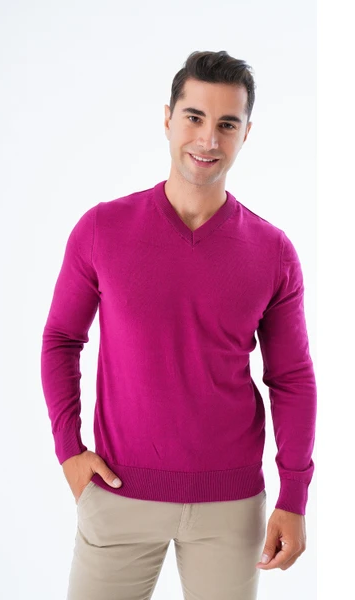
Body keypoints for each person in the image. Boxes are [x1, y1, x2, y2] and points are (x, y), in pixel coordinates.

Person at [40, 49, 317, 600]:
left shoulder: (273, 251)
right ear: (167, 119)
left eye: (227, 124)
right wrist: (69, 449)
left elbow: (292, 378)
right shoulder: (102, 229)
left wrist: (294, 496)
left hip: (230, 506)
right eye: (194, 117)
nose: (208, 139)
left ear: (246, 134)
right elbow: (61, 339)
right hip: (118, 492)